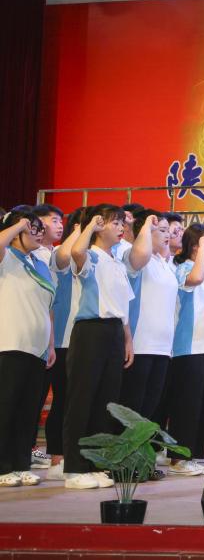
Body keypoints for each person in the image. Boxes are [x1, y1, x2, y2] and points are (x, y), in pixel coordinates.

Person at [63, 204, 134, 490]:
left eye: (122, 223)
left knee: (106, 401)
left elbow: (123, 307)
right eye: (115, 223)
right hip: (90, 331)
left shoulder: (117, 262)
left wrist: (127, 340)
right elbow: (76, 252)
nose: (121, 228)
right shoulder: (90, 254)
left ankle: (96, 463)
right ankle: (74, 469)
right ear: (100, 225)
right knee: (82, 399)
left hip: (115, 332)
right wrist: (90, 226)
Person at [0, 211, 56, 487]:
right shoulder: (7, 258)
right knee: (6, 408)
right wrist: (18, 224)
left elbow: (48, 307)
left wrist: (51, 344)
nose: (38, 233)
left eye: (38, 228)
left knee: (28, 411)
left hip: (38, 348)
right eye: (31, 228)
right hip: (10, 344)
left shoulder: (40, 264)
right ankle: (2, 467)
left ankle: (21, 464)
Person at [117, 211, 174, 472]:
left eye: (167, 230)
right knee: (133, 408)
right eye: (161, 229)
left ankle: (141, 462)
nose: (168, 234)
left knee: (150, 410)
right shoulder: (135, 257)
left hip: (162, 348)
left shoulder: (165, 264)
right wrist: (145, 226)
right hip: (139, 345)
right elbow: (139, 253)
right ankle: (122, 463)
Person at [167, 224, 204, 476]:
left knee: (202, 403)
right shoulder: (184, 269)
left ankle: (192, 455)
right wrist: (200, 247)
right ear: (194, 245)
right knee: (187, 403)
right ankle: (178, 458)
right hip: (189, 347)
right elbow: (195, 279)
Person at [42, 206, 86, 481]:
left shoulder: (94, 256)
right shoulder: (61, 252)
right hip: (62, 338)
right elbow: (63, 258)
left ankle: (76, 455)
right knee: (63, 398)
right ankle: (57, 456)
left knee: (79, 401)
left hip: (85, 339)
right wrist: (81, 229)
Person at [27, 204, 64, 470]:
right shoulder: (32, 256)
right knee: (29, 396)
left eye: (61, 220)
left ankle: (38, 448)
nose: (59, 225)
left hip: (54, 337)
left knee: (45, 396)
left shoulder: (55, 254)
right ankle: (25, 447)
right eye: (53, 220)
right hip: (32, 335)